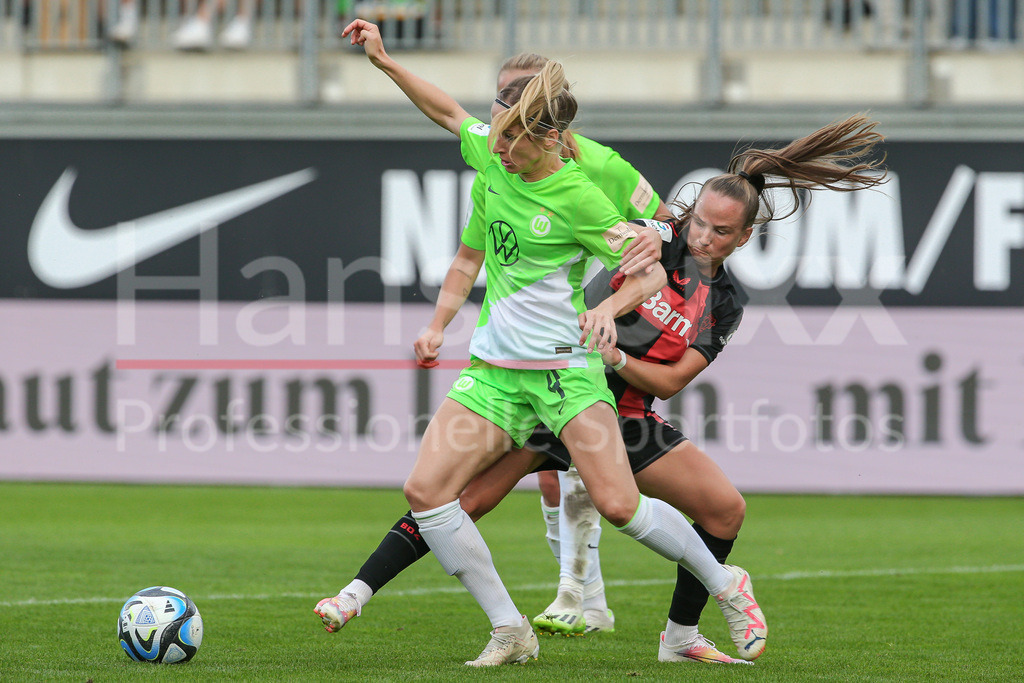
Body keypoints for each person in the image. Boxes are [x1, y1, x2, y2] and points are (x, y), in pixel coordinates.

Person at [315, 108, 887, 665]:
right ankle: (357, 592)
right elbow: (620, 219)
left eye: (721, 231)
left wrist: (617, 355)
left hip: (624, 412)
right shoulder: (656, 238)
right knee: (462, 500)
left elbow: (672, 379)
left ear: (743, 238)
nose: (704, 237)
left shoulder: (725, 304)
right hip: (554, 387)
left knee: (724, 511)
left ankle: (680, 636)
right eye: (699, 223)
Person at [323, 18, 769, 668]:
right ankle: (511, 628)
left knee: (618, 504)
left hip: (564, 373)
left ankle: (725, 581)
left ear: (552, 138)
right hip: (498, 373)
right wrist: (385, 62)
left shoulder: (580, 194)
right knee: (428, 492)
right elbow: (447, 112)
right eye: (498, 136)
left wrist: (611, 308)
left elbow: (648, 270)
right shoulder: (493, 156)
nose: (499, 150)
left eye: (514, 142)